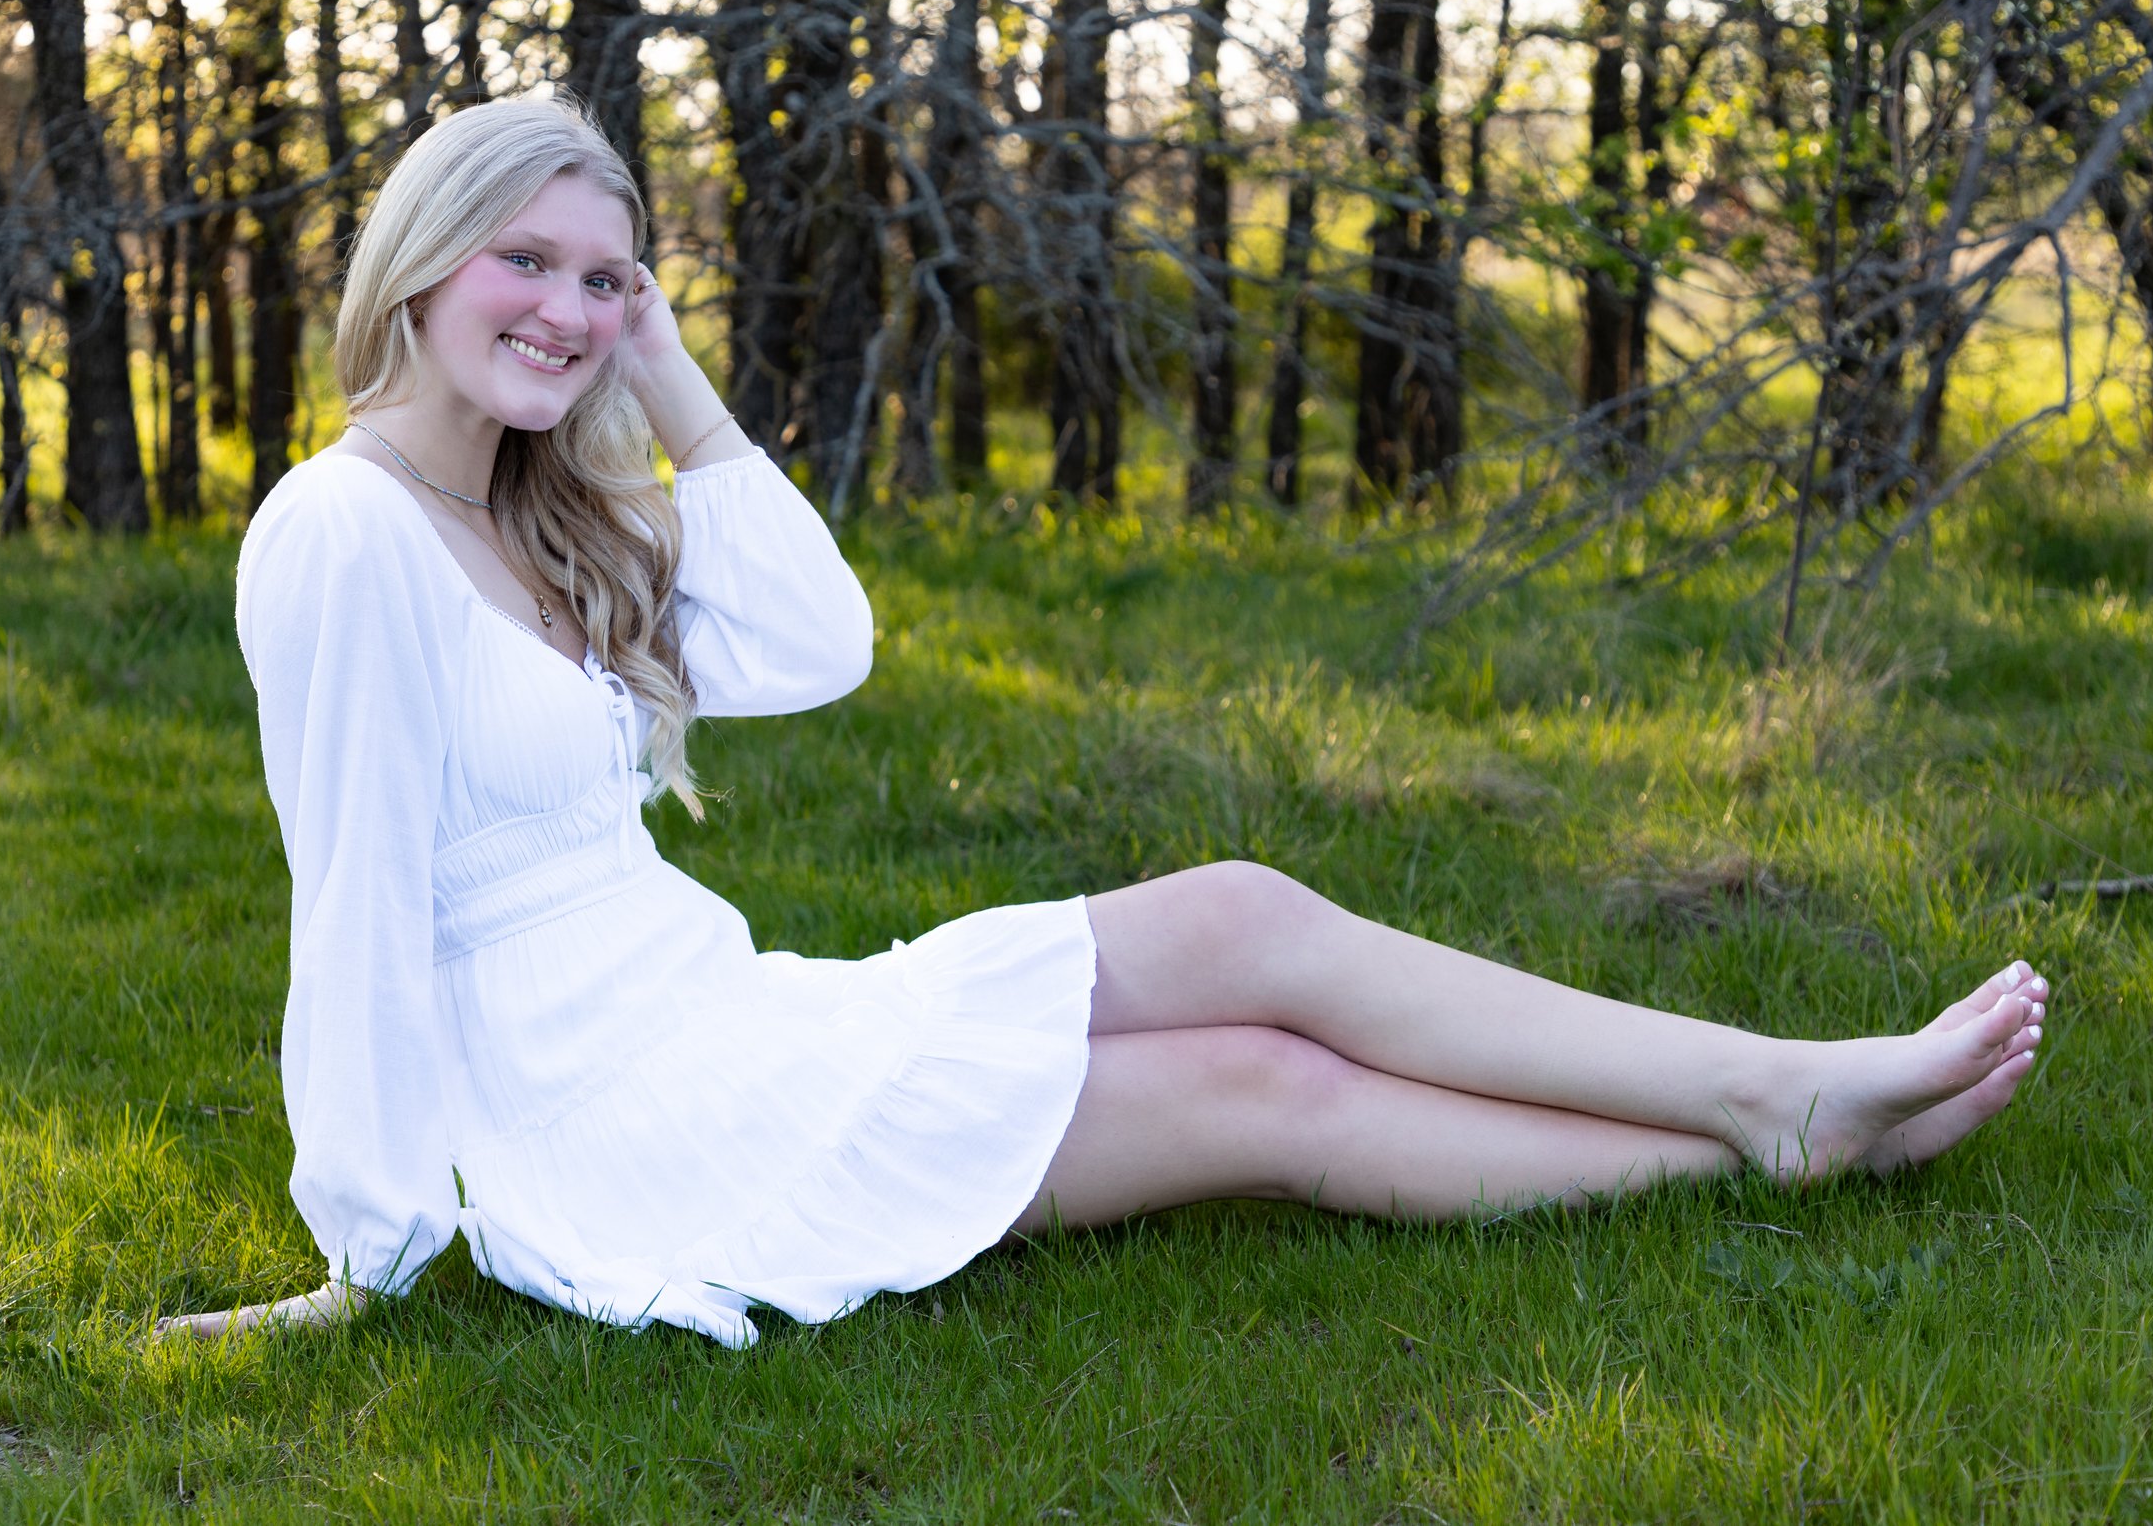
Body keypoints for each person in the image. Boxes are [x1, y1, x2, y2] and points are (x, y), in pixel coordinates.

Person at [156, 97, 2048, 1344]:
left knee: (1237, 910)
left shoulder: (531, 506)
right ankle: (1771, 1125)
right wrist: (375, 1251)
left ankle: (1770, 1086)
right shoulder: (343, 534)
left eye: (605, 277)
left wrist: (670, 379)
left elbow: (820, 644)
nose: (567, 315)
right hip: (615, 1111)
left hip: (721, 1008)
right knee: (1264, 1094)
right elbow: (356, 905)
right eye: (530, 266)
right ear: (418, 258)